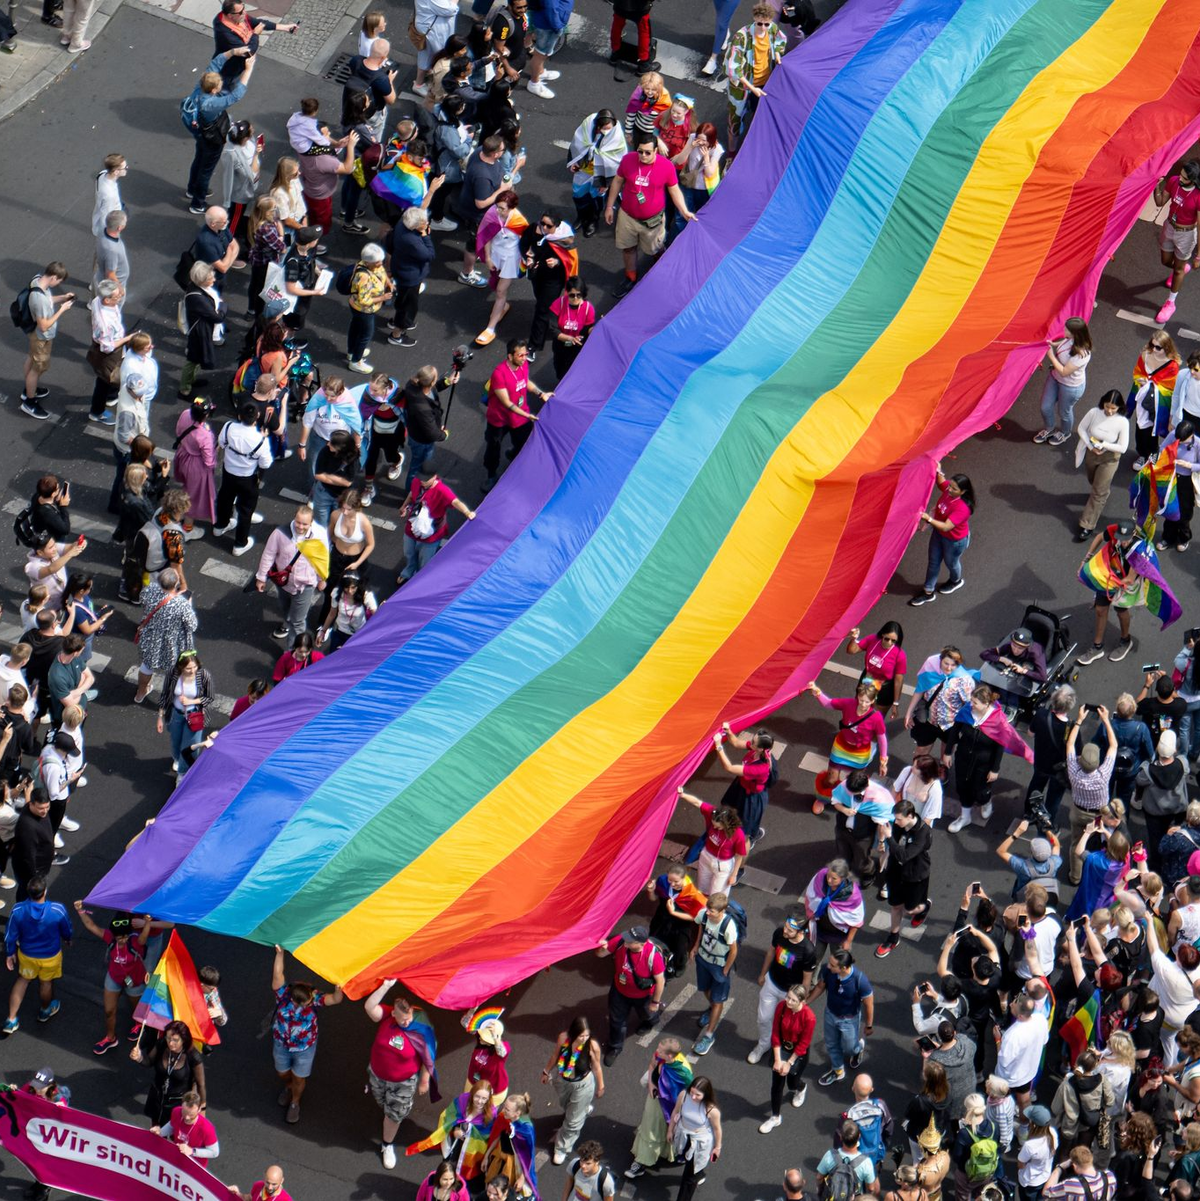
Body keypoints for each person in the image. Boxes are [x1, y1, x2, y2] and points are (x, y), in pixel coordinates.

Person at [605, 135, 695, 297]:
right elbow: (618, 181)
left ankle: (661, 270)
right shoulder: (628, 160)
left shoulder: (666, 166)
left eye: (647, 152)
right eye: (640, 152)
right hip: (627, 216)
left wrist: (684, 210)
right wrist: (609, 206)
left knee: (655, 249)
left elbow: (674, 190)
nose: (643, 156)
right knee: (628, 249)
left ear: (655, 150)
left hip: (653, 220)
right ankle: (631, 278)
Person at [363, 981, 436, 1169]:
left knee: (394, 1115)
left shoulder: (420, 1028)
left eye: (409, 1017)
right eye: (402, 1019)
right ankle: (389, 1116)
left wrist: (424, 1080)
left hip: (402, 1082)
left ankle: (387, 1145)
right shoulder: (388, 1015)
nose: (406, 1022)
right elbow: (369, 1007)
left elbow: (429, 1053)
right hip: (378, 1075)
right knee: (383, 1104)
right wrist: (385, 986)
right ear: (393, 1013)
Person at [271, 943, 344, 1124]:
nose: (309, 1004)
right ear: (295, 999)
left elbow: (335, 999)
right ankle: (288, 1087)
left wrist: (338, 988)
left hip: (304, 1048)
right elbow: (277, 975)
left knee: (299, 1077)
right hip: (282, 1044)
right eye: (305, 1003)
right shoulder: (283, 995)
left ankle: (295, 1102)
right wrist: (279, 955)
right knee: (282, 1072)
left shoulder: (315, 999)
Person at [70, 905, 150, 1054]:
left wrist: (147, 923)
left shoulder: (135, 941)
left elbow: (144, 937)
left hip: (135, 980)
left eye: (125, 936)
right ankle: (110, 1038)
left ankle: (139, 1024)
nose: (122, 940)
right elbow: (91, 926)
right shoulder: (110, 938)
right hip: (114, 977)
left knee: (136, 1008)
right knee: (108, 1011)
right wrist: (80, 910)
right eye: (119, 937)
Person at [183, 50, 256, 213]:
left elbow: (215, 64)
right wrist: (248, 69)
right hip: (212, 138)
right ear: (215, 90)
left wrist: (233, 52)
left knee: (198, 159)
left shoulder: (200, 87)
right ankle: (197, 203)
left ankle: (192, 188)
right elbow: (235, 95)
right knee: (206, 170)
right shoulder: (211, 105)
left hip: (200, 133)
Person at [805, 680, 888, 815]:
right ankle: (823, 799)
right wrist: (817, 692)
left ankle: (844, 800)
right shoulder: (849, 704)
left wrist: (883, 759)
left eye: (867, 702)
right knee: (831, 778)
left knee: (852, 780)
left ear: (873, 701)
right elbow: (829, 703)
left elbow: (882, 738)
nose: (863, 704)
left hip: (860, 754)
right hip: (841, 747)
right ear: (857, 697)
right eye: (861, 700)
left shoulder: (876, 717)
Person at [4, 875, 71, 1035]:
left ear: (28, 892)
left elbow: (10, 934)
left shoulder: (18, 910)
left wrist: (10, 953)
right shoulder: (57, 910)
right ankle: (45, 1010)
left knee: (22, 981)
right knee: (46, 983)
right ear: (45, 891)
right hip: (50, 956)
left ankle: (11, 1019)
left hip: (27, 955)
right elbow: (66, 928)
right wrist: (68, 938)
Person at [482, 339, 553, 492]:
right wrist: (527, 415)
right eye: (520, 355)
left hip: (520, 417)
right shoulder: (499, 374)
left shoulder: (523, 365)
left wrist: (541, 394)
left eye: (525, 354)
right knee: (493, 448)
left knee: (524, 442)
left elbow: (525, 381)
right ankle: (491, 475)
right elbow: (507, 403)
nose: (524, 358)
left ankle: (514, 453)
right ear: (510, 356)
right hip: (499, 420)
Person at [943, 684, 1015, 833]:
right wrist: (948, 752)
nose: (971, 705)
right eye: (971, 701)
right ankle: (965, 816)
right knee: (962, 787)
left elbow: (1000, 746)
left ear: (986, 704)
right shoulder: (966, 712)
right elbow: (954, 732)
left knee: (980, 791)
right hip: (963, 757)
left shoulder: (998, 721)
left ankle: (986, 802)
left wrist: (995, 769)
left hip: (984, 763)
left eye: (975, 703)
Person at [748, 907, 815, 1064]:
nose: (785, 931)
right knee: (764, 1018)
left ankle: (780, 1049)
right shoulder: (779, 933)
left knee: (783, 1024)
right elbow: (771, 952)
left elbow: (807, 978)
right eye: (785, 926)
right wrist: (762, 974)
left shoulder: (808, 950)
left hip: (790, 994)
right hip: (772, 983)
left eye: (790, 930)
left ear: (801, 932)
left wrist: (801, 999)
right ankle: (763, 1045)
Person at [625, 1038, 693, 1180]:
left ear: (669, 1055)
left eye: (660, 1050)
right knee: (652, 1128)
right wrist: (651, 1084)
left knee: (654, 1130)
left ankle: (642, 1162)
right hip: (656, 1099)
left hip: (671, 1106)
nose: (657, 1052)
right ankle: (646, 1158)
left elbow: (689, 1093)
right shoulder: (659, 1056)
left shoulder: (684, 1072)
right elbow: (651, 1066)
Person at [597, 926, 664, 1065]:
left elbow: (660, 981)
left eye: (630, 940)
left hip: (643, 996)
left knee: (647, 1014)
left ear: (641, 944)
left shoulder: (653, 955)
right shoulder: (621, 940)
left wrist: (655, 1003)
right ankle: (615, 1047)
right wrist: (602, 948)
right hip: (619, 991)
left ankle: (651, 1021)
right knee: (616, 1021)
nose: (625, 940)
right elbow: (600, 954)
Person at [1064, 707, 1117, 884]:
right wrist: (1106, 720)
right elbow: (1113, 746)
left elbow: (1070, 744)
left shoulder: (1073, 771)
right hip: (1099, 814)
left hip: (1078, 812)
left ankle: (1075, 876)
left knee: (1076, 844)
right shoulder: (1103, 775)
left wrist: (1079, 720)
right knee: (1102, 843)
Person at [910, 464, 975, 605]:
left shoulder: (962, 508)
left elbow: (946, 527)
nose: (949, 489)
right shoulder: (948, 491)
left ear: (963, 492)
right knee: (933, 562)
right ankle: (928, 591)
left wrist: (928, 519)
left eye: (953, 488)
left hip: (954, 541)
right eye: (950, 486)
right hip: (939, 534)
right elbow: (940, 481)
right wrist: (937, 467)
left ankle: (955, 581)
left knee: (951, 563)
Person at [214, 401, 273, 556]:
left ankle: (220, 526)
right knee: (246, 511)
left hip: (228, 472)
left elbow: (221, 443)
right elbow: (266, 463)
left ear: (239, 415)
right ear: (257, 416)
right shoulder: (261, 440)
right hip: (248, 478)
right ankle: (240, 544)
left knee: (224, 498)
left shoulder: (228, 427)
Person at [543, 1016, 604, 1164]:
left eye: (587, 1035)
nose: (584, 1038)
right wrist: (546, 1071)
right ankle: (581, 1109)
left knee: (572, 1122)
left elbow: (596, 1067)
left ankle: (562, 1148)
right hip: (562, 1080)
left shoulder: (592, 1046)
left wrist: (601, 1085)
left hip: (582, 1084)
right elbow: (555, 1055)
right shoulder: (563, 1038)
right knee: (566, 1105)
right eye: (581, 1035)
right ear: (573, 1033)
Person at [725, 5, 786, 153]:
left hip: (765, 83)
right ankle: (731, 153)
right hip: (743, 88)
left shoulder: (772, 30)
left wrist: (777, 53)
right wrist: (752, 88)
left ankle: (752, 142)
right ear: (754, 19)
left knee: (759, 114)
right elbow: (734, 68)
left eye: (766, 24)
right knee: (735, 120)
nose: (763, 27)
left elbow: (781, 40)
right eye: (760, 23)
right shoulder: (742, 37)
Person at [876, 800, 933, 958]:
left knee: (909, 909)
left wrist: (888, 839)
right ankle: (893, 938)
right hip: (895, 872)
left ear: (910, 815)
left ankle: (924, 907)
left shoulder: (923, 832)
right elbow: (890, 837)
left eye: (899, 819)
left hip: (915, 875)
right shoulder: (898, 824)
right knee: (895, 906)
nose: (896, 821)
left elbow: (905, 855)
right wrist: (883, 842)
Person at [131, 570, 197, 705]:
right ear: (176, 583)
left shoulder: (150, 590)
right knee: (174, 673)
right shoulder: (181, 604)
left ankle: (140, 693)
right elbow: (192, 625)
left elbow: (143, 600)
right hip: (173, 643)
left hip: (151, 637)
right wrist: (189, 604)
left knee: (146, 667)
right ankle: (172, 700)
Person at [400, 466, 476, 583]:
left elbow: (455, 502)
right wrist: (404, 505)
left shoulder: (441, 490)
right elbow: (412, 494)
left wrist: (467, 512)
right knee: (408, 551)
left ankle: (419, 580)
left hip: (432, 531)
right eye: (421, 479)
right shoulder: (417, 481)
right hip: (413, 525)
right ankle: (408, 572)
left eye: (426, 479)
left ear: (435, 476)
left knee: (425, 560)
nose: (422, 482)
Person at [810, 947, 873, 1087]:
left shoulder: (860, 980)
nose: (828, 966)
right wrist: (806, 1002)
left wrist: (868, 1025)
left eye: (832, 965)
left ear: (843, 968)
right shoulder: (828, 971)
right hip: (830, 1014)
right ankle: (838, 1070)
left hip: (849, 1019)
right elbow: (820, 987)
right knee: (832, 1044)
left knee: (849, 1048)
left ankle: (857, 1049)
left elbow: (869, 1004)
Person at [19, 261, 74, 420]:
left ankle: (29, 390)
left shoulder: (37, 280)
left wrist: (63, 298)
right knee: (37, 368)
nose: (58, 284)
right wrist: (62, 310)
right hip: (41, 337)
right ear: (54, 277)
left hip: (33, 334)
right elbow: (43, 326)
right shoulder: (40, 299)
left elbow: (48, 299)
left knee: (31, 358)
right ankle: (29, 402)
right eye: (59, 281)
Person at [1074, 390, 1130, 541]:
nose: (1110, 411)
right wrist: (1091, 446)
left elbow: (1123, 447)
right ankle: (1102, 492)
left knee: (1098, 492)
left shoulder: (1122, 422)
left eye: (1114, 408)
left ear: (1119, 407)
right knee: (1093, 481)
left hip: (1109, 458)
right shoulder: (1094, 413)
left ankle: (1087, 524)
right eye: (1107, 407)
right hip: (1092, 454)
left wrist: (1104, 445)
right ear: (1103, 403)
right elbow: (1081, 428)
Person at [758, 984, 814, 1131]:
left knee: (792, 1083)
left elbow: (804, 1043)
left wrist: (789, 1063)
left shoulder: (809, 1017)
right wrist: (777, 1059)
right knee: (777, 1084)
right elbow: (775, 1031)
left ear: (802, 1001)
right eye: (788, 997)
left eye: (793, 1000)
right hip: (782, 1048)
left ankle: (801, 1088)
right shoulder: (782, 1007)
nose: (788, 1002)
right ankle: (775, 1117)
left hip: (797, 1053)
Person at [691, 892, 739, 1056]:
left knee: (718, 1000)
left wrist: (725, 970)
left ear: (722, 911)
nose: (708, 913)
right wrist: (696, 945)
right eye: (708, 909)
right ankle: (712, 1010)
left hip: (719, 966)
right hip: (703, 959)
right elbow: (701, 927)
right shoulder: (703, 915)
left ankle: (709, 1036)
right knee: (705, 989)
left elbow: (733, 951)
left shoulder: (729, 927)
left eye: (712, 911)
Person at [456, 137, 509, 287]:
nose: (504, 153)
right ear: (495, 154)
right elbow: (480, 203)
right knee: (473, 245)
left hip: (475, 209)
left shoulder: (480, 151)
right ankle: (466, 274)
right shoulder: (482, 176)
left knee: (478, 243)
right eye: (502, 150)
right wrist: (502, 189)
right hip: (476, 215)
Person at [131, 1019, 206, 1124]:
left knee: (175, 1133)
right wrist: (139, 1057)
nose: (170, 1043)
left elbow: (200, 1085)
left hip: (178, 1103)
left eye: (175, 1040)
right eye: (168, 1038)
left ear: (184, 1039)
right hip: (157, 1097)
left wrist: (202, 1108)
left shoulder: (193, 1056)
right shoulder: (162, 1044)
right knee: (155, 1128)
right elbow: (149, 1062)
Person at [1153, 160, 1200, 325]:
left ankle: (1170, 303)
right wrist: (1156, 186)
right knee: (1165, 260)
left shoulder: (1198, 197)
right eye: (1180, 174)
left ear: (1193, 181)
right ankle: (1180, 268)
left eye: (1184, 178)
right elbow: (1159, 202)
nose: (1180, 178)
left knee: (1178, 270)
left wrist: (1198, 256)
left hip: (1186, 234)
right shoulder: (1173, 181)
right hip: (1169, 227)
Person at [566, 110, 626, 237]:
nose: (607, 131)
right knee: (579, 195)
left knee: (596, 199)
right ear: (598, 126)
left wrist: (607, 182)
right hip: (584, 171)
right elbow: (576, 146)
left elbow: (617, 163)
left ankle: (592, 221)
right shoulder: (587, 129)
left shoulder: (617, 137)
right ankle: (581, 217)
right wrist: (573, 162)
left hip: (601, 175)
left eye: (609, 128)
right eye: (604, 128)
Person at [1034, 318, 1093, 447]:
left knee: (1064, 412)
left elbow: (1064, 371)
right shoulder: (1071, 339)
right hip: (1055, 378)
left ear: (1075, 334)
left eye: (1066, 329)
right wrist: (1054, 345)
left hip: (1070, 387)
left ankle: (1065, 433)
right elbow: (1066, 342)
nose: (1063, 330)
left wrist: (1051, 355)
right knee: (1045, 407)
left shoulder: (1082, 354)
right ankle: (1049, 429)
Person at [1138, 731, 1189, 874]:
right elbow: (1187, 770)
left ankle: (1156, 865)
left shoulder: (1148, 770)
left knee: (1155, 839)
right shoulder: (1182, 764)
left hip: (1154, 812)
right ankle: (1170, 863)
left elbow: (1139, 780)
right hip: (1177, 811)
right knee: (1175, 837)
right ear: (1174, 749)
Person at [156, 651, 213, 777]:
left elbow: (209, 698)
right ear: (181, 666)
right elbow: (165, 695)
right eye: (188, 668)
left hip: (195, 715)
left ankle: (182, 773)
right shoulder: (173, 673)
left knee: (190, 746)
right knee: (175, 742)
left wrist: (191, 701)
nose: (192, 670)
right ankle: (177, 759)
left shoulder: (204, 676)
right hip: (175, 714)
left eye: (195, 667)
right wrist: (160, 716)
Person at [667, 1076, 722, 1201]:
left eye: (697, 1095)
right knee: (687, 1161)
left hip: (699, 1143)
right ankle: (699, 1173)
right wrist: (670, 1130)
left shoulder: (711, 1110)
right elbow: (676, 1111)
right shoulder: (683, 1095)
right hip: (684, 1136)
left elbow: (717, 1129)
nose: (692, 1097)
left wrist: (717, 1147)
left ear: (706, 1095)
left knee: (689, 1178)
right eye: (691, 1092)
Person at [87, 280, 133, 423]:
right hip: (108, 352)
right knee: (104, 380)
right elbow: (107, 347)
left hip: (110, 342)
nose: (119, 298)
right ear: (107, 300)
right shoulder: (105, 323)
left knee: (111, 375)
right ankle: (97, 411)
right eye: (116, 297)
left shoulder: (97, 300)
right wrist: (127, 339)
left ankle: (112, 396)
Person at [388, 207, 435, 346]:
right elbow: (429, 255)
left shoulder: (402, 224)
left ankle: (396, 321)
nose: (426, 224)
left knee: (402, 299)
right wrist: (426, 236)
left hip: (400, 268)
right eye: (424, 223)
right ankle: (397, 333)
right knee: (408, 307)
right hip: (410, 277)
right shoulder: (412, 241)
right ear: (415, 226)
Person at [178, 262, 225, 402]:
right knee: (192, 360)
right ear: (201, 281)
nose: (214, 280)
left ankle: (190, 381)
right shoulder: (197, 297)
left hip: (200, 330)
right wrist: (222, 308)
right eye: (210, 278)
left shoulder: (195, 288)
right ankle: (184, 389)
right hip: (199, 333)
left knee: (195, 360)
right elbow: (217, 316)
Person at [995, 996, 1050, 1114]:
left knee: (1000, 1103)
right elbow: (1045, 1041)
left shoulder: (1013, 1035)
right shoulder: (1041, 1019)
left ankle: (1002, 1122)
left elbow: (1003, 1060)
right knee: (1024, 1102)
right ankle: (1024, 1127)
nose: (1010, 1005)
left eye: (1013, 1004)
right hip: (1028, 1073)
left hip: (1009, 1078)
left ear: (1020, 1016)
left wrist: (998, 1039)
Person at [1052, 1047, 1114, 1149]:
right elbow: (1110, 1101)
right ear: (1095, 1065)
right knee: (1082, 1153)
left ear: (1076, 1064)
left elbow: (1055, 1108)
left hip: (1069, 1125)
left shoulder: (1067, 1083)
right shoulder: (1102, 1080)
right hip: (1089, 1124)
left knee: (1064, 1154)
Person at [173, 400, 217, 535]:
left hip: (183, 455)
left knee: (185, 489)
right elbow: (209, 461)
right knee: (192, 496)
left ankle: (175, 519)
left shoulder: (185, 414)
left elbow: (178, 431)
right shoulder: (205, 435)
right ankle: (187, 528)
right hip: (197, 466)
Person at [847, 623, 908, 717]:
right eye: (887, 639)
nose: (889, 643)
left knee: (875, 717)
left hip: (884, 688)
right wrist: (853, 639)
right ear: (882, 634)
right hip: (867, 681)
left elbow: (898, 681)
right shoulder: (873, 640)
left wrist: (895, 704)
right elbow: (851, 651)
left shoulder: (900, 655)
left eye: (893, 641)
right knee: (859, 709)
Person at [952, 1093, 1001, 1201]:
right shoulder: (994, 1126)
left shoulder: (964, 1133)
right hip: (987, 1171)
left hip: (967, 1174)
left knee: (963, 1196)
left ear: (967, 1110)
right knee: (981, 1192)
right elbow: (997, 1145)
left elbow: (957, 1157)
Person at [997, 821, 1062, 899]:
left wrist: (1016, 833)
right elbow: (1055, 844)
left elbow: (1001, 851)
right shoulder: (1055, 862)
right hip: (1044, 893)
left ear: (1031, 852)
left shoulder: (1023, 867)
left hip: (1026, 895)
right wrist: (1047, 830)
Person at [817, 1119, 878, 1197]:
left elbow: (819, 1177)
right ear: (859, 1136)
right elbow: (871, 1188)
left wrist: (820, 1192)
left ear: (841, 1137)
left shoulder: (830, 1155)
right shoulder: (866, 1162)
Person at [549, 277, 595, 380]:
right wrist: (569, 338)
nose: (575, 298)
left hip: (578, 346)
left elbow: (588, 328)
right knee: (560, 371)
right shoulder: (559, 304)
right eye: (572, 295)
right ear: (567, 293)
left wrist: (597, 329)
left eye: (579, 295)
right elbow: (553, 329)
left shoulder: (588, 308)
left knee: (575, 372)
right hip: (561, 345)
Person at [154, 1090, 220, 1159]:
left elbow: (214, 1152)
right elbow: (171, 1126)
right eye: (184, 1112)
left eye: (191, 1114)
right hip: (177, 1156)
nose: (187, 1117)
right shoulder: (176, 1111)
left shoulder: (207, 1128)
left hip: (194, 1163)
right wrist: (160, 1132)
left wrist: (192, 1151)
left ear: (199, 1109)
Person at [1041, 1146, 1116, 1201]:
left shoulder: (1074, 1185)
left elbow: (1046, 1193)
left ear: (1074, 1165)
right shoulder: (1109, 1176)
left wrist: (1059, 1168)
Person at [1017, 1105, 1058, 1201]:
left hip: (1030, 1182)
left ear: (1033, 1124)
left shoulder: (1029, 1145)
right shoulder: (1053, 1133)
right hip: (1045, 1177)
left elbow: (1020, 1164)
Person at [893, 755, 944, 829]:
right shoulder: (908, 771)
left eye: (916, 767)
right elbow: (895, 789)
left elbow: (930, 816)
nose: (912, 767)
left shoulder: (935, 788)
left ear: (925, 772)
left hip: (918, 823)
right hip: (901, 816)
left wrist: (918, 831)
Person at [94, 210, 130, 296]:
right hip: (114, 285)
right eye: (124, 222)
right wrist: (120, 289)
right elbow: (110, 274)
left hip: (100, 274)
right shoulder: (112, 250)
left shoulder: (102, 230)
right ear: (119, 228)